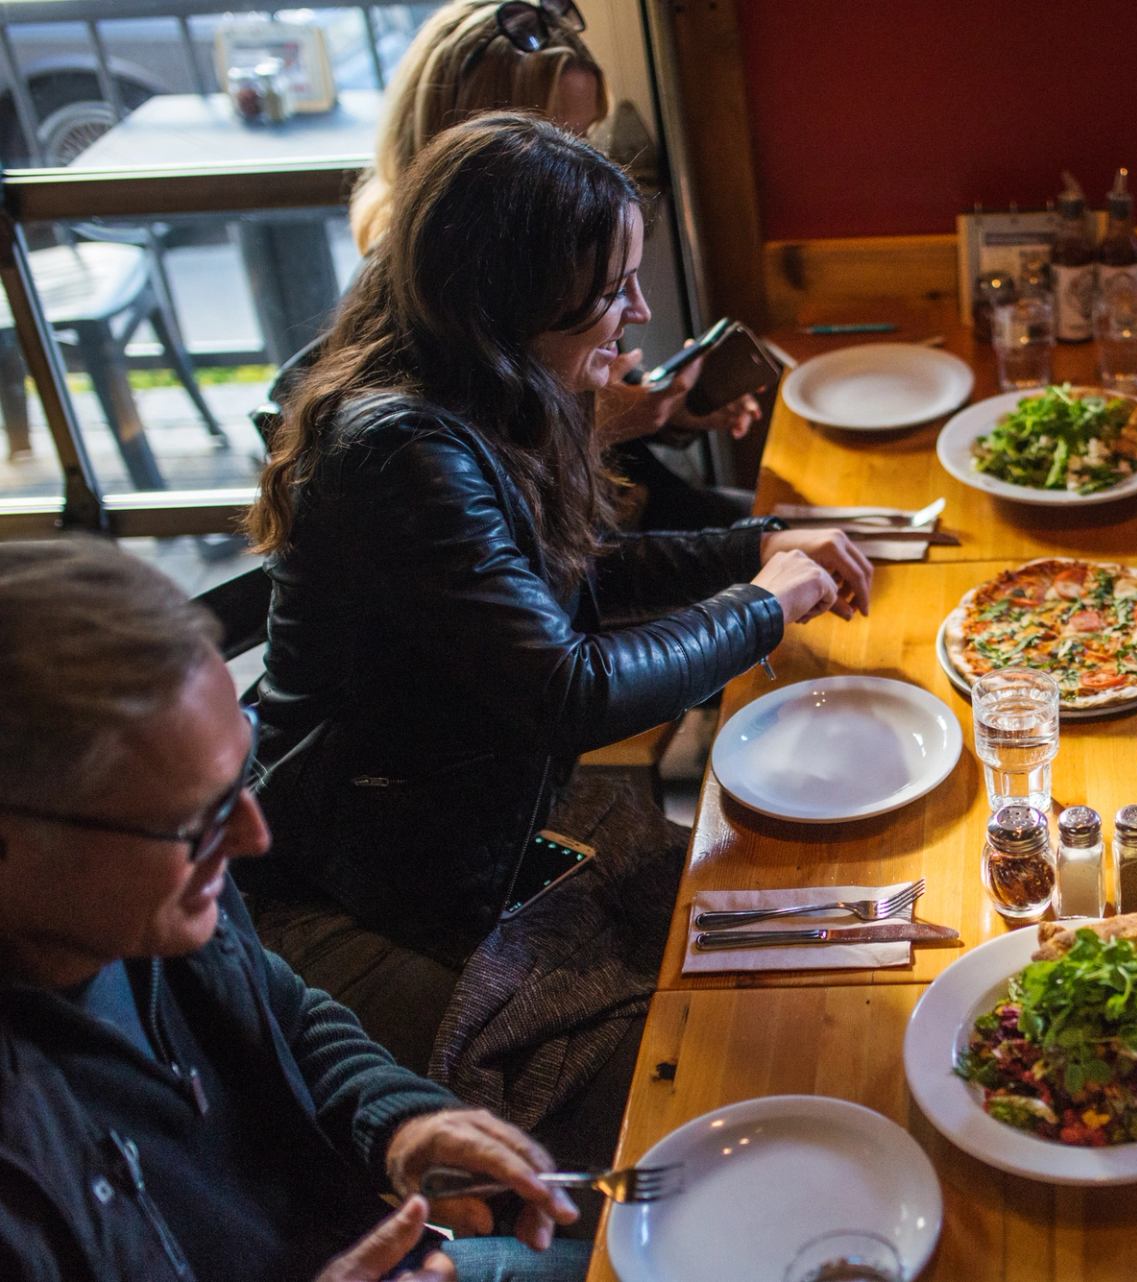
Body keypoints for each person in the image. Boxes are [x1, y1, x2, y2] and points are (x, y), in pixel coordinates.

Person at [240, 112, 870, 1168]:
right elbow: (568, 689)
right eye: (613, 285)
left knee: (779, 937)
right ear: (515, 289)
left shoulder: (475, 391)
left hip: (461, 834)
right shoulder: (403, 448)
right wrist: (767, 600)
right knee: (714, 1060)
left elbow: (570, 579)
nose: (640, 309)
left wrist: (756, 544)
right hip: (362, 886)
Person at [0, 536, 586, 1282]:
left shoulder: (149, 912)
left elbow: (285, 1015)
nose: (252, 836)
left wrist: (404, 1124)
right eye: (198, 817)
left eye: (242, 776)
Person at [349, 0, 756, 528]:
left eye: (585, 138)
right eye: (554, 140)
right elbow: (500, 502)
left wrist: (661, 415)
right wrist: (606, 423)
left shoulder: (561, 255)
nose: (579, 167)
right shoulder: (405, 310)